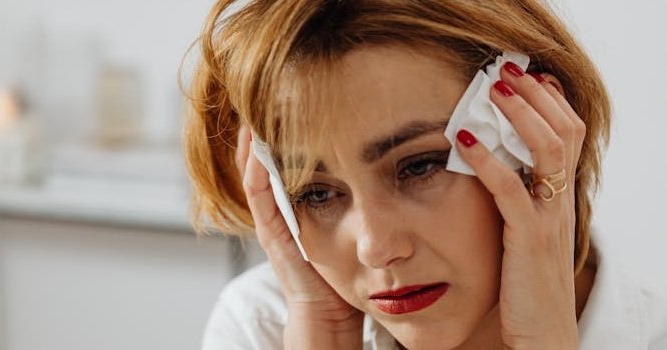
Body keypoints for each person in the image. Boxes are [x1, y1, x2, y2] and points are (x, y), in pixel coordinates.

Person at [182, 0, 667, 349]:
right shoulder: (263, 325)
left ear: (532, 130)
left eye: (419, 166)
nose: (375, 246)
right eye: (315, 193)